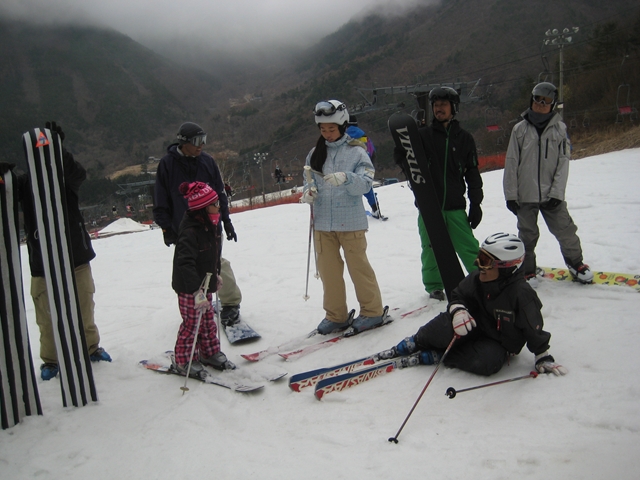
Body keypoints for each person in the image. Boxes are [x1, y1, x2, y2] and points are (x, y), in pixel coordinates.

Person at [3, 122, 111, 381]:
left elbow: (77, 173)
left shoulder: (64, 179)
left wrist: (58, 149)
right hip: (42, 262)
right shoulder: (24, 183)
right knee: (46, 317)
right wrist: (4, 176)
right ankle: (50, 360)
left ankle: (91, 348)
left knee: (84, 307)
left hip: (76, 257)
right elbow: (7, 193)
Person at [388, 233, 567, 377]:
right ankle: (417, 341)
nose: (478, 264)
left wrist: (542, 355)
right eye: (480, 257)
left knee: (488, 362)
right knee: (443, 326)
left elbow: (533, 327)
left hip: (497, 341)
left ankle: (442, 355)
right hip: (471, 324)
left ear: (506, 268)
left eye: (486, 261)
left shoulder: (521, 294)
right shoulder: (477, 279)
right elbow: (458, 294)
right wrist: (458, 310)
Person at [302, 100, 385, 335]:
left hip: (350, 222)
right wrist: (308, 192)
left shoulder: (357, 152)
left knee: (359, 268)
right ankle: (335, 315)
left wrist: (347, 178)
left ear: (342, 126)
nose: (327, 133)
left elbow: (366, 184)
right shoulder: (314, 154)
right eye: (323, 129)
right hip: (322, 223)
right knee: (329, 273)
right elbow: (308, 180)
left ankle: (372, 311)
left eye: (332, 128)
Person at [395, 87, 484, 301]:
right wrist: (402, 151)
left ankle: (483, 280)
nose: (439, 109)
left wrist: (476, 203)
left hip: (454, 205)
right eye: (436, 105)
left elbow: (472, 173)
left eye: (443, 105)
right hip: (429, 205)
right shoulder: (423, 135)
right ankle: (434, 286)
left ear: (453, 107)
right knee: (430, 248)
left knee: (469, 247)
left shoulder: (464, 139)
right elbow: (407, 162)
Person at [154, 122, 243, 326]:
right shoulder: (167, 165)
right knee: (189, 267)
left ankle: (230, 302)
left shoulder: (207, 162)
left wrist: (226, 221)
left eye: (204, 140)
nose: (201, 145)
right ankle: (195, 304)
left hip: (211, 226)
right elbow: (161, 199)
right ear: (183, 142)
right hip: (185, 228)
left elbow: (220, 194)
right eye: (197, 141)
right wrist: (166, 228)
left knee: (216, 263)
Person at [503, 81, 593, 286]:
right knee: (528, 235)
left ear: (552, 104)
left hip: (551, 194)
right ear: (531, 100)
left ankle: (576, 263)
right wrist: (511, 195)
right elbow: (511, 163)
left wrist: (557, 193)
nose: (541, 104)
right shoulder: (519, 130)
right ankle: (527, 270)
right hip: (525, 194)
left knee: (565, 230)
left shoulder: (559, 130)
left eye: (546, 101)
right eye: (538, 99)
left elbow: (563, 162)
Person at [171, 181, 234, 375]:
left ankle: (209, 352)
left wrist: (215, 275)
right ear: (204, 208)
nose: (219, 207)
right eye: (215, 204)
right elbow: (184, 263)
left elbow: (212, 255)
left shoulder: (211, 225)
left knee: (207, 321)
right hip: (189, 288)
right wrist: (195, 291)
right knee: (192, 324)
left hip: (204, 284)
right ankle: (183, 361)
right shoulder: (190, 231)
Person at [345, 115, 384, 219]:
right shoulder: (363, 134)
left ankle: (349, 213)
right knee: (367, 187)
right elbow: (372, 150)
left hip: (350, 165)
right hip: (366, 163)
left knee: (348, 187)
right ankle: (376, 209)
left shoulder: (344, 135)